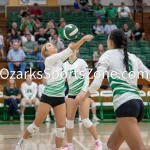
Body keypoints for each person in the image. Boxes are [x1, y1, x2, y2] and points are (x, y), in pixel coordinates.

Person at [15, 35, 94, 150]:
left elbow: (70, 56)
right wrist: (83, 39)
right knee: (36, 125)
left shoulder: (61, 62)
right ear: (46, 52)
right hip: (48, 97)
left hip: (60, 98)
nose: (52, 45)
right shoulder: (49, 60)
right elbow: (69, 50)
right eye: (49, 45)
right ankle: (21, 141)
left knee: (61, 128)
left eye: (51, 44)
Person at [77, 29, 149, 150]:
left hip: (125, 105)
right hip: (138, 104)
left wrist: (83, 96)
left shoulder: (107, 55)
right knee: (111, 146)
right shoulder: (133, 57)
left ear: (110, 42)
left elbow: (96, 84)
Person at [62, 47, 103, 150]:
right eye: (70, 48)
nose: (71, 50)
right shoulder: (64, 65)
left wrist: (83, 92)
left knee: (85, 119)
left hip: (83, 94)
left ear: (77, 50)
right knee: (69, 120)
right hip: (71, 94)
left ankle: (98, 141)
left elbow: (86, 78)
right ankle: (70, 145)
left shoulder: (81, 62)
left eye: (74, 48)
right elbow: (63, 80)